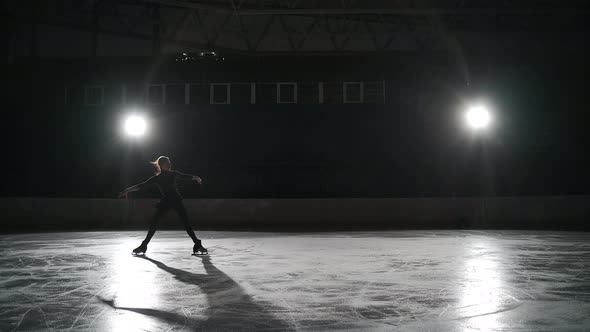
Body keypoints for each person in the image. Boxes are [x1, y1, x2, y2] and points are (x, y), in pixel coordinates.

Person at [118, 156, 207, 255]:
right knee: (154, 224)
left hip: (176, 201)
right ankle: (144, 246)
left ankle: (197, 244)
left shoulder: (173, 173)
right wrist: (127, 190)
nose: (169, 164)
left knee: (186, 224)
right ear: (161, 165)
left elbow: (184, 176)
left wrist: (195, 177)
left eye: (169, 162)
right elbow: (142, 185)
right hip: (166, 202)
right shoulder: (157, 178)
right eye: (167, 163)